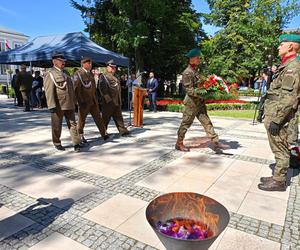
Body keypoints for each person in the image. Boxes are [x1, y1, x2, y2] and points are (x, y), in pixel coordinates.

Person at [258, 32, 300, 191]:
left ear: (290, 46)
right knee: (277, 146)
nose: (278, 47)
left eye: (281, 44)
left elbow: (289, 98)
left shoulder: (293, 67)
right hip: (275, 111)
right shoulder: (286, 65)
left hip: (279, 114)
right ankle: (277, 175)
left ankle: (279, 181)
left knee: (280, 147)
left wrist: (277, 120)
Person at [175, 48, 222, 153]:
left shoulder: (196, 71)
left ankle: (215, 142)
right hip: (191, 104)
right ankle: (179, 143)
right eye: (198, 58)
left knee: (207, 122)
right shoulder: (187, 73)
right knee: (185, 124)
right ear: (192, 59)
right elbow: (189, 90)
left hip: (199, 103)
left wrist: (208, 87)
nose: (199, 60)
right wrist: (203, 93)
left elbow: (201, 85)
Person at [44, 52, 81, 152]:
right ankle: (57, 142)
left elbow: (71, 89)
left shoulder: (66, 73)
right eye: (61, 61)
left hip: (69, 103)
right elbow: (49, 91)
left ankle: (76, 143)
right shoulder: (50, 74)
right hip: (58, 104)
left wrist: (74, 101)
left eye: (64, 61)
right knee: (57, 125)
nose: (63, 63)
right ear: (54, 61)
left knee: (73, 124)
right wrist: (51, 105)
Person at [73, 57, 109, 143]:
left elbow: (93, 88)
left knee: (98, 118)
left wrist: (96, 98)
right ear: (83, 64)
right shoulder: (78, 74)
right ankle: (80, 136)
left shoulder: (90, 74)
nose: (90, 65)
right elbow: (75, 89)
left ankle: (104, 134)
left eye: (91, 63)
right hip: (83, 102)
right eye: (88, 63)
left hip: (93, 101)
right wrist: (77, 101)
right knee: (82, 120)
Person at [97, 59, 130, 136]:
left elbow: (118, 89)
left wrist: (119, 99)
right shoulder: (104, 77)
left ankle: (122, 130)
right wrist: (108, 100)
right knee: (105, 118)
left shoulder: (115, 77)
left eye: (114, 68)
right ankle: (103, 132)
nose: (113, 69)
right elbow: (102, 89)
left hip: (116, 101)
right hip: (109, 102)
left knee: (119, 117)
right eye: (111, 67)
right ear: (107, 68)